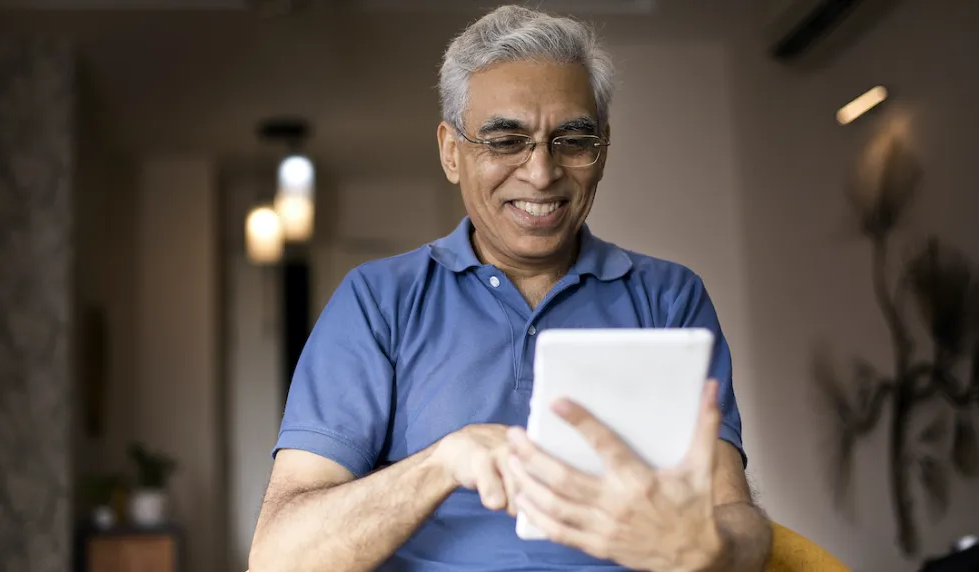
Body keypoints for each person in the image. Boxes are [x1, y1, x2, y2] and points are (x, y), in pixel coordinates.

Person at [249, 5, 772, 571]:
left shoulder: (668, 298)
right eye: (505, 140)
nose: (541, 173)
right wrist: (442, 463)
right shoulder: (378, 301)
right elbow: (280, 557)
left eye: (573, 140)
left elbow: (735, 513)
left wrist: (714, 547)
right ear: (451, 152)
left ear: (603, 149)